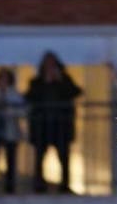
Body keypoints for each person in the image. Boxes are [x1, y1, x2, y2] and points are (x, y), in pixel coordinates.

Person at [25, 51, 82, 193]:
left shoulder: (65, 79)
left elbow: (76, 92)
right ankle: (39, 185)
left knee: (64, 156)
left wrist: (60, 80)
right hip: (42, 125)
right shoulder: (36, 82)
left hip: (60, 125)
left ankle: (64, 185)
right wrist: (46, 82)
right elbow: (30, 97)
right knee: (39, 157)